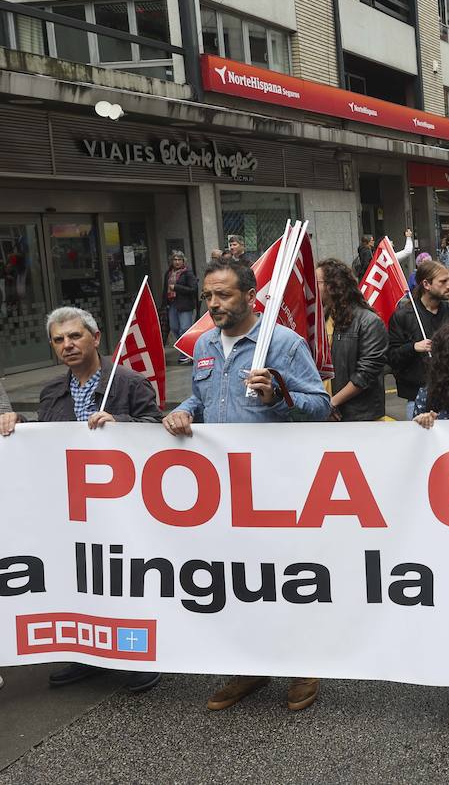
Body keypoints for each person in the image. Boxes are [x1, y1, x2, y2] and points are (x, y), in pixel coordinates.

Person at [162, 259, 331, 712]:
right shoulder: (202, 345)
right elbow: (202, 398)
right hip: (223, 491)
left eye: (224, 295)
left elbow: (321, 406)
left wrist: (278, 396)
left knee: (284, 577)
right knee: (237, 579)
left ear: (250, 296)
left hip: (275, 486)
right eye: (208, 296)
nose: (214, 304)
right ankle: (249, 667)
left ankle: (303, 666)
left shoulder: (282, 344)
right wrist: (182, 411)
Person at [0, 305, 162, 695]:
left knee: (122, 579)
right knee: (80, 580)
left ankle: (138, 656)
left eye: (75, 336)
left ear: (95, 338)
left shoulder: (127, 382)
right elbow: (48, 443)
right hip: (72, 509)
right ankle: (87, 654)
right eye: (59, 340)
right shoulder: (51, 390)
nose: (68, 345)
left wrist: (121, 426)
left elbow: (157, 430)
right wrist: (20, 428)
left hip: (122, 505)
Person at [387, 259, 449, 417]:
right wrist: (412, 347)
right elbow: (391, 357)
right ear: (426, 284)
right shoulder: (403, 316)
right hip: (418, 398)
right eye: (443, 282)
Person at [316, 258, 388, 422]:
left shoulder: (369, 322)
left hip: (358, 418)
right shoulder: (321, 319)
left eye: (316, 282)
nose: (312, 287)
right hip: (326, 415)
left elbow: (365, 374)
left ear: (332, 286)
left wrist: (332, 403)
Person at [163, 250, 198, 356]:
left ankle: (186, 352)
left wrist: (176, 287)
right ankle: (184, 347)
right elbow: (165, 290)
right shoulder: (168, 273)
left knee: (185, 329)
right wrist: (164, 303)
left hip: (185, 305)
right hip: (172, 304)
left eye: (179, 260)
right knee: (174, 327)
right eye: (175, 259)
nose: (177, 262)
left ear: (183, 261)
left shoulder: (188, 273)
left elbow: (193, 289)